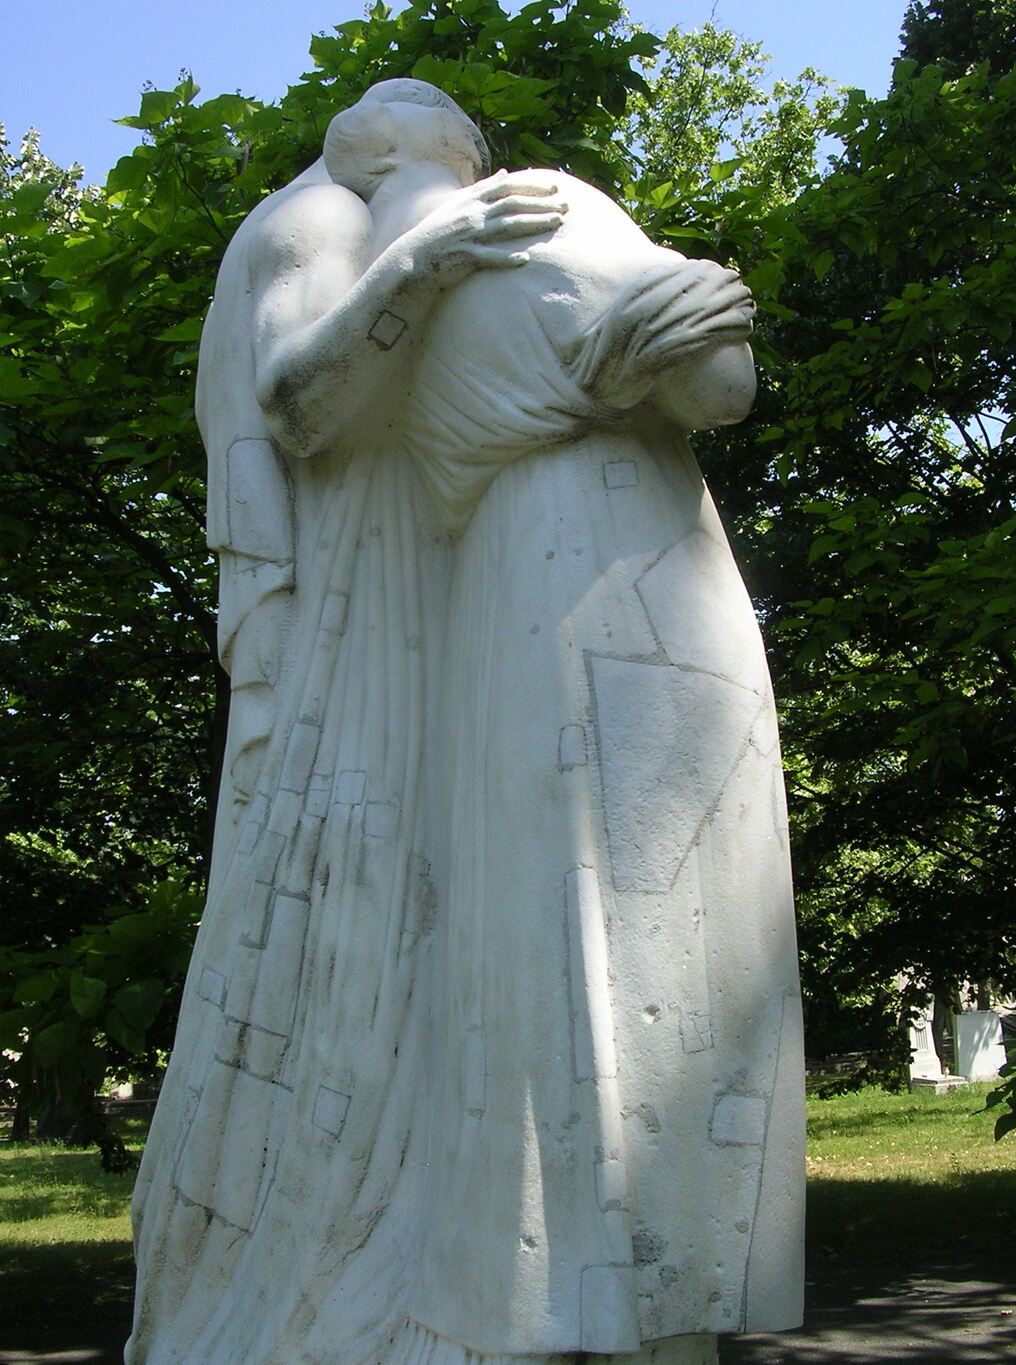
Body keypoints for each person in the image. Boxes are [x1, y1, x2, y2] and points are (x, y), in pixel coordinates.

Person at [127, 80, 803, 1365]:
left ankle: (612, 1306)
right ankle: (590, 1309)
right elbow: (301, 407)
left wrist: (649, 327)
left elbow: (713, 373)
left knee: (650, 947)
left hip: (591, 582)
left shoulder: (519, 222)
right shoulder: (364, 235)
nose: (434, 142)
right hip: (586, 584)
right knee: (588, 944)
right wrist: (439, 272)